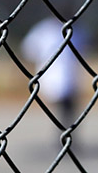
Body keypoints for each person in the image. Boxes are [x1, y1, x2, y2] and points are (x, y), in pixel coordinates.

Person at [22, 14, 80, 148]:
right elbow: (29, 50)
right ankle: (64, 138)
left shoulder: (74, 29)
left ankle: (65, 138)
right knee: (64, 109)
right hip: (50, 75)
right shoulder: (44, 30)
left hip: (69, 77)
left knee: (68, 110)